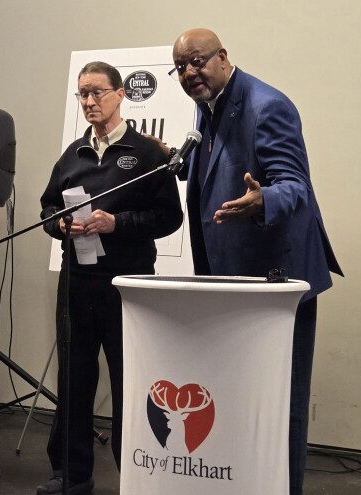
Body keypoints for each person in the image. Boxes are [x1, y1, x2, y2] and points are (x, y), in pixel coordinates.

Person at [170, 28, 343, 495]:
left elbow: (294, 185)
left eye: (198, 61)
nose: (190, 72)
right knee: (238, 392)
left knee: (280, 398)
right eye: (181, 67)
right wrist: (178, 161)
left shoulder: (268, 105)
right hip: (230, 276)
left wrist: (263, 199)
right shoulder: (206, 105)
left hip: (277, 280)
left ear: (223, 57)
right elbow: (212, 164)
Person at [37, 61, 183, 495]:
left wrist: (115, 223)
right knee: (74, 379)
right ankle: (71, 474)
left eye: (97, 92)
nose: (88, 102)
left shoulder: (148, 154)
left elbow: (168, 217)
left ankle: (134, 474)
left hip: (127, 284)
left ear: (121, 95)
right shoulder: (72, 155)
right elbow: (47, 209)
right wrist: (60, 225)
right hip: (77, 282)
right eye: (82, 94)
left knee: (128, 380)